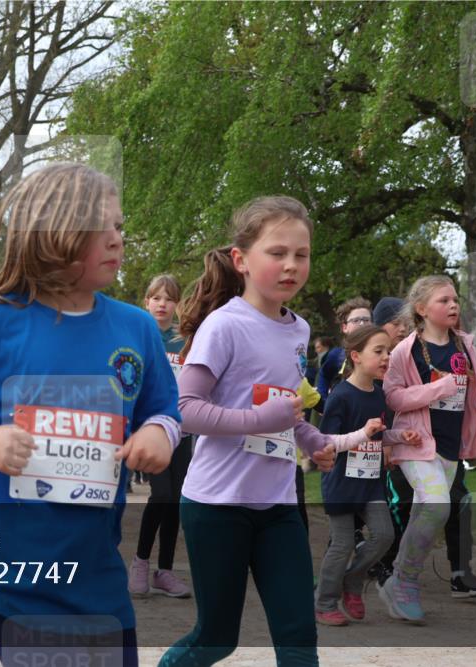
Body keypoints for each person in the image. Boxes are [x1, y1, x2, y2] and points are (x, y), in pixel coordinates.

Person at [0, 164, 182, 667]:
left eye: (120, 226)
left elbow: (165, 408)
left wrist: (160, 432)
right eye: (104, 227)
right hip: (13, 572)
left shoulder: (136, 328)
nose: (119, 239)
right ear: (55, 233)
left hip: (97, 569)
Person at [161, 196, 337, 667]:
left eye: (301, 254)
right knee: (217, 639)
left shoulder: (299, 330)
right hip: (217, 506)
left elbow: (284, 406)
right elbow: (185, 410)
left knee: (299, 635)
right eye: (276, 253)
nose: (291, 265)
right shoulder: (224, 326)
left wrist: (313, 441)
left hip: (278, 505)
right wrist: (264, 421)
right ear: (241, 260)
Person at [378, 275, 476, 623]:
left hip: (451, 446)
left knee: (428, 513)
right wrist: (436, 390)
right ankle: (404, 582)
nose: (453, 305)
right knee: (437, 505)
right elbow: (392, 397)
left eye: (455, 300)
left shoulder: (465, 346)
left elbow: (475, 391)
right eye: (443, 300)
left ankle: (397, 581)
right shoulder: (405, 350)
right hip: (415, 442)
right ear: (421, 309)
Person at [314, 325, 421, 626]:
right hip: (340, 483)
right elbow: (326, 443)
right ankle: (324, 603)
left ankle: (352, 581)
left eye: (388, 350)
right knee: (342, 544)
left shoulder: (379, 395)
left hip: (371, 483)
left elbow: (379, 434)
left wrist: (401, 435)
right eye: (379, 351)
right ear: (356, 356)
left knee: (385, 535)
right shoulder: (341, 397)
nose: (387, 356)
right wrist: (363, 433)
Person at [129, 274, 193, 598]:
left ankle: (164, 571)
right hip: (149, 430)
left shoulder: (186, 341)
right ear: (147, 302)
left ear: (178, 305)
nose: (163, 304)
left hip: (181, 431)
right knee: (162, 494)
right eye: (157, 298)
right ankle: (140, 562)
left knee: (177, 499)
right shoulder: (138, 336)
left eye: (169, 298)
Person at [316, 297, 372, 413]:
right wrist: (325, 404)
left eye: (366, 320)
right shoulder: (337, 355)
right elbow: (323, 375)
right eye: (356, 320)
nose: (362, 324)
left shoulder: (382, 353)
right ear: (344, 327)